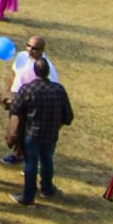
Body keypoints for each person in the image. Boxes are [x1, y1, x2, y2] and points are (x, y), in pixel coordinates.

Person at [9, 61, 69, 204]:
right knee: (47, 161)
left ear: (35, 72)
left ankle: (28, 197)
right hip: (51, 134)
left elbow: (15, 109)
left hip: (32, 133)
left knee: (30, 163)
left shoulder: (28, 89)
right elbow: (68, 115)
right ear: (48, 72)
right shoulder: (59, 89)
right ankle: (47, 189)